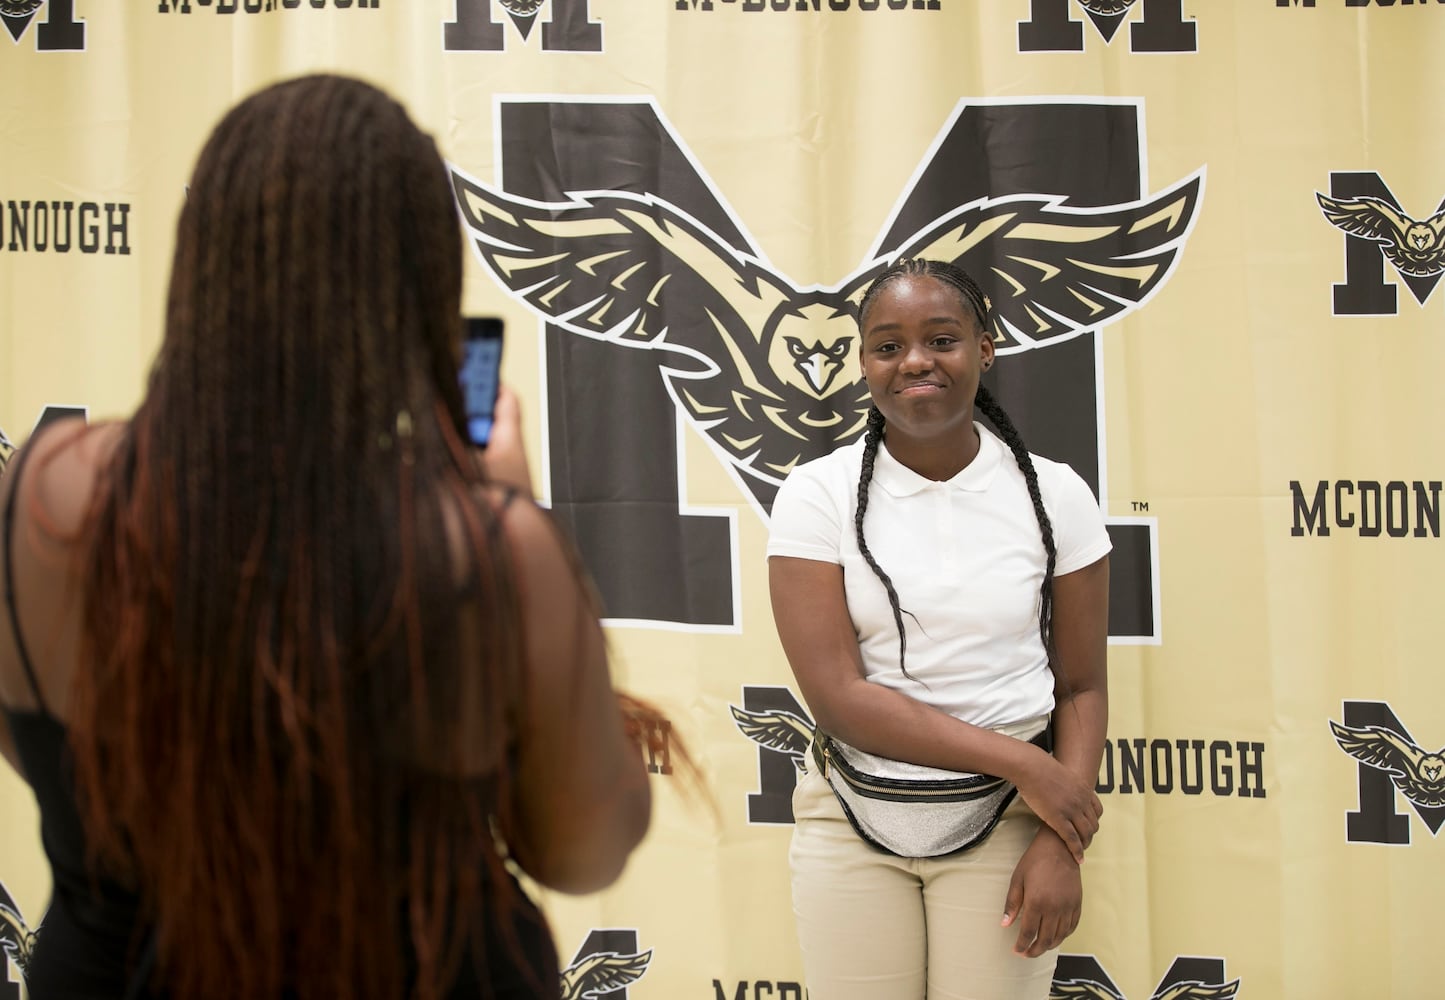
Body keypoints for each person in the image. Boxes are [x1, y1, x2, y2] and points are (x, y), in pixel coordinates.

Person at [0, 74, 652, 1000]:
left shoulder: (46, 487)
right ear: (418, 283)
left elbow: (43, 753)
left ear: (203, 254)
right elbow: (584, 849)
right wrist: (514, 519)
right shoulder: (486, 550)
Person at [767, 257, 1111, 1000]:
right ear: (862, 364)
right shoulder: (814, 495)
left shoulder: (1056, 494)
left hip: (1007, 825)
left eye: (941, 339)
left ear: (984, 349)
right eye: (887, 346)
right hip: (851, 817)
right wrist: (1027, 764)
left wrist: (1061, 841)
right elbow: (836, 697)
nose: (914, 361)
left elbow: (1080, 686)